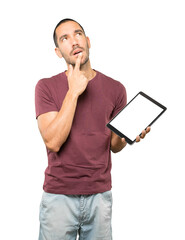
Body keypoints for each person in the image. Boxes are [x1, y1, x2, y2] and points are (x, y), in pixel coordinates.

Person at [35, 18, 150, 240]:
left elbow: (114, 146)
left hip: (100, 195)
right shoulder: (46, 87)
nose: (74, 41)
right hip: (59, 196)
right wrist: (73, 91)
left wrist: (127, 135)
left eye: (78, 34)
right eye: (65, 38)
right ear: (58, 52)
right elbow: (53, 141)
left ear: (88, 41)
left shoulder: (116, 89)